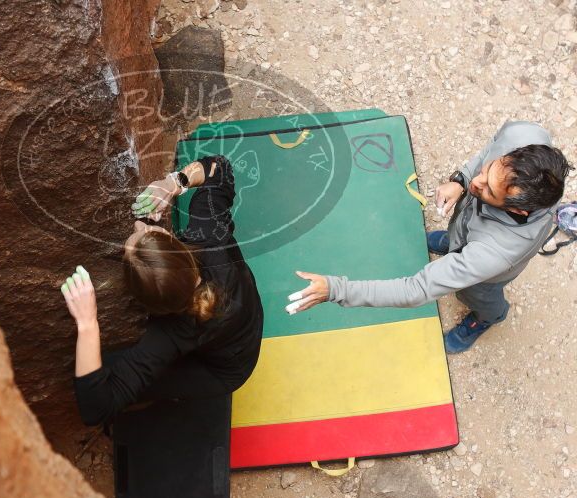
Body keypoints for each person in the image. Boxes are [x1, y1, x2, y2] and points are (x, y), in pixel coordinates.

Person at [287, 121, 571, 353]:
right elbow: (490, 149)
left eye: (488, 191)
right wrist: (460, 181)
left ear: (519, 209)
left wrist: (337, 289)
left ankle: (489, 317)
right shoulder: (525, 135)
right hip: (472, 242)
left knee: (477, 294)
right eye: (487, 172)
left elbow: (416, 289)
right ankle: (454, 246)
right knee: (458, 237)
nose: (477, 182)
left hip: (486, 275)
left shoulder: (493, 255)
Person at [60, 155, 264, 425]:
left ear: (150, 308)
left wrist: (87, 325)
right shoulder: (210, 236)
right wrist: (175, 183)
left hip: (224, 371)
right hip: (245, 320)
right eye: (147, 232)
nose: (139, 224)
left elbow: (96, 409)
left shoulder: (168, 335)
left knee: (103, 367)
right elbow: (220, 169)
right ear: (173, 241)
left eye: (141, 232)